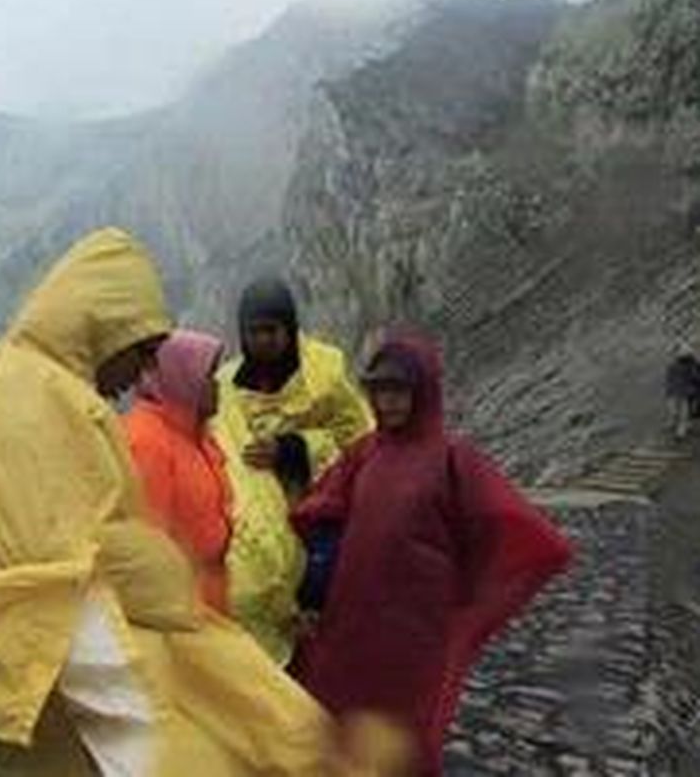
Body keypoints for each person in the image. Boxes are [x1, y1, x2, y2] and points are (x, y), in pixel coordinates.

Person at [0, 228, 396, 777]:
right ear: (104, 327)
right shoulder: (51, 396)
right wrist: (174, 589)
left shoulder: (28, 380)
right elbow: (82, 542)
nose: (141, 372)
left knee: (53, 686)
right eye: (141, 350)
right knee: (112, 680)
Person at [289, 330, 573, 776]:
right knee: (339, 728)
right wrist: (312, 589)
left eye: (399, 390)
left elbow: (505, 526)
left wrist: (464, 598)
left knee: (406, 740)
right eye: (378, 390)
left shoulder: (454, 460)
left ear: (425, 391)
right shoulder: (364, 454)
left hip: (415, 635)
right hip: (352, 625)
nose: (387, 402)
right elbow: (321, 511)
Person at [211, 277, 375, 662]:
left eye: (272, 330)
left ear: (289, 326)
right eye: (254, 332)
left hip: (322, 512)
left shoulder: (324, 375)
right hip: (259, 525)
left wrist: (294, 449)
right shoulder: (224, 388)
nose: (263, 340)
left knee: (325, 600)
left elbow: (362, 441)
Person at [124, 329, 231, 612]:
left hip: (209, 595)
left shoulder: (196, 433)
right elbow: (150, 543)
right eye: (209, 376)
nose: (218, 385)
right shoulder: (147, 442)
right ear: (184, 378)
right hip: (179, 607)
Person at [666, 345, 700, 441]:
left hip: (673, 393)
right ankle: (681, 432)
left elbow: (669, 380)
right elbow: (696, 378)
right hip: (685, 393)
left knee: (675, 412)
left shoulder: (671, 365)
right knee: (683, 413)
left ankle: (677, 427)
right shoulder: (691, 366)